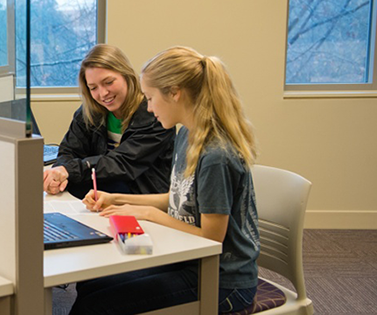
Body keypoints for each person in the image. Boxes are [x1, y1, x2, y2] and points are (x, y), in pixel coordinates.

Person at [71, 46, 260, 314]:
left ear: (174, 93)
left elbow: (211, 237)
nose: (147, 107)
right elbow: (177, 198)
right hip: (188, 259)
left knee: (96, 306)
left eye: (150, 98)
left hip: (222, 281)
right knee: (92, 283)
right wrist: (116, 199)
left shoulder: (216, 154)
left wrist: (148, 213)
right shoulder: (187, 135)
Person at [43, 44, 175, 199]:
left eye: (109, 82)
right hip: (100, 196)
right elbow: (69, 151)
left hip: (141, 200)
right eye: (93, 88)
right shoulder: (89, 113)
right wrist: (57, 174)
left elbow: (121, 163)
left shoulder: (154, 114)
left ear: (126, 75)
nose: (103, 94)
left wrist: (69, 170)